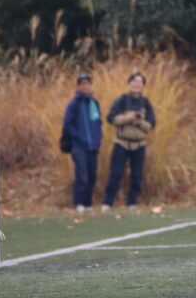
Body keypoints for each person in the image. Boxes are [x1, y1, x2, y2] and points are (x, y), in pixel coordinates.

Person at [101, 73, 156, 211]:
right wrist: (128, 117)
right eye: (134, 81)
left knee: (137, 175)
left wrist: (139, 122)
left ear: (143, 85)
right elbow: (111, 118)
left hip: (139, 144)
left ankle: (132, 202)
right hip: (122, 143)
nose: (137, 84)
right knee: (116, 174)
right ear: (129, 83)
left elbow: (151, 125)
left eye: (140, 82)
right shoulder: (121, 100)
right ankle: (107, 202)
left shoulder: (146, 103)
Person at [63, 73, 102, 213]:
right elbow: (67, 124)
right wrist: (78, 137)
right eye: (82, 83)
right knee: (82, 176)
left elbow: (98, 123)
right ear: (78, 86)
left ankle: (88, 203)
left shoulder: (94, 103)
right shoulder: (74, 104)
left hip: (93, 146)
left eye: (87, 83)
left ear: (90, 85)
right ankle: (78, 203)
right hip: (79, 146)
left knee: (92, 176)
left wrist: (98, 139)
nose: (85, 86)